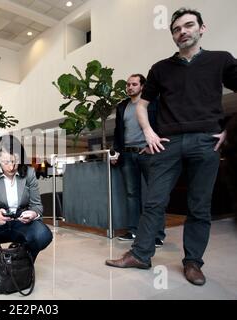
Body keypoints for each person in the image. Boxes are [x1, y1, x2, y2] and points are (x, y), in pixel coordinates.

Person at [106, 8, 237, 286]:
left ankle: (193, 262)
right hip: (168, 143)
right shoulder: (160, 69)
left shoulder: (221, 60)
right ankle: (141, 254)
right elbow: (142, 104)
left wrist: (229, 130)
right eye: (177, 29)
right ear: (173, 36)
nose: (183, 32)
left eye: (189, 26)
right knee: (153, 201)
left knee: (199, 207)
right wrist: (149, 132)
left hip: (206, 141)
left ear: (202, 28)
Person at [0, 135, 53, 262]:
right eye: (6, 162)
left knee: (43, 235)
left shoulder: (29, 173)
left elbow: (37, 206)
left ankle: (24, 260)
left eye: (15, 161)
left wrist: (33, 213)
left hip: (22, 222)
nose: (11, 167)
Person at [112, 74, 165, 247]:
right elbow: (118, 132)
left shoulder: (153, 102)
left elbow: (162, 124)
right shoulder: (122, 106)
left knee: (154, 194)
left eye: (134, 84)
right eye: (127, 84)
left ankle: (158, 234)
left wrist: (152, 146)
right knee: (131, 194)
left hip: (148, 152)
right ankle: (133, 231)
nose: (129, 87)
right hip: (127, 155)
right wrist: (116, 152)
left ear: (142, 86)